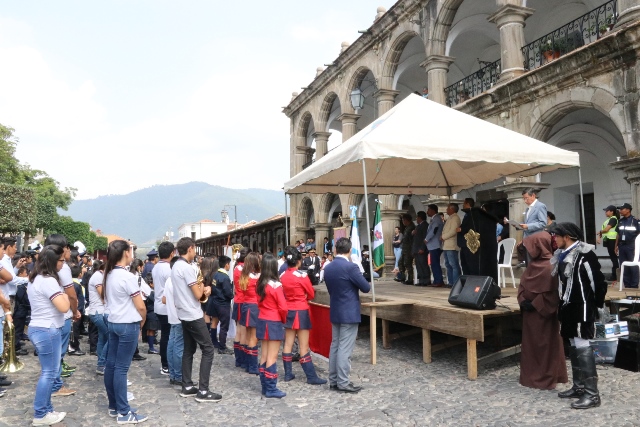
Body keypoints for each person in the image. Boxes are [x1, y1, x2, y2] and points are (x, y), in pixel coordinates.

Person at [551, 222, 607, 409]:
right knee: (574, 346)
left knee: (582, 344)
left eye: (557, 236)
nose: (554, 239)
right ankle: (579, 386)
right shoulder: (562, 255)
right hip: (568, 307)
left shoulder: (585, 254)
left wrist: (595, 306)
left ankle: (592, 394)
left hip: (582, 307)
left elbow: (598, 282)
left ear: (566, 237)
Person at [102, 240, 148, 423]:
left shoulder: (110, 274)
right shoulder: (128, 277)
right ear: (126, 254)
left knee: (111, 365)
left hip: (113, 322)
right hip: (127, 324)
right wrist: (141, 323)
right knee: (121, 368)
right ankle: (124, 411)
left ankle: (114, 406)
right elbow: (141, 307)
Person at [171, 237, 220, 402]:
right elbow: (198, 294)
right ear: (190, 248)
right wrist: (206, 290)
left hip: (183, 313)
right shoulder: (186, 268)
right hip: (193, 313)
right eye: (194, 249)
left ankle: (187, 385)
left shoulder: (176, 265)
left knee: (189, 350)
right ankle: (204, 391)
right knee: (208, 349)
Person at [27, 244, 71, 426]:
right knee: (49, 373)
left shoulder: (36, 278)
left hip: (40, 327)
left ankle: (47, 409)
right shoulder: (48, 281)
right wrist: (66, 297)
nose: (63, 263)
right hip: (48, 329)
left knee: (49, 372)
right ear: (53, 261)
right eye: (61, 260)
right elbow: (64, 306)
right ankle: (40, 414)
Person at [517, 232, 568, 390]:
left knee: (546, 346)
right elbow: (522, 286)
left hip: (543, 314)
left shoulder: (552, 266)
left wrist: (536, 304)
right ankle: (530, 376)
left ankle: (546, 377)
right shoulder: (531, 266)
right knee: (530, 347)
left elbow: (553, 293)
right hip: (530, 315)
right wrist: (522, 300)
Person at [323, 237, 371, 393]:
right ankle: (343, 382)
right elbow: (365, 288)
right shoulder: (351, 267)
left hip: (336, 309)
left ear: (335, 250)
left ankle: (333, 380)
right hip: (349, 311)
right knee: (345, 348)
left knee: (335, 345)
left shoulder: (328, 268)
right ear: (350, 250)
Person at [280, 246, 326, 386]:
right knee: (303, 346)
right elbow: (311, 294)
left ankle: (288, 374)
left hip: (288, 311)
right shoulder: (301, 276)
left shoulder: (282, 276)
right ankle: (311, 376)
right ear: (299, 261)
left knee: (288, 344)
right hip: (301, 310)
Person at [44, 234, 79, 398]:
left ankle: (53, 381)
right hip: (61, 315)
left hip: (46, 317)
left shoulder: (41, 267)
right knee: (58, 352)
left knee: (53, 354)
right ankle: (56, 384)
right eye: (66, 248)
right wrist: (75, 310)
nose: (68, 252)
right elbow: (71, 294)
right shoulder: (63, 268)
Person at [256, 253, 288, 398]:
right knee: (272, 356)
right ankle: (271, 388)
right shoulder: (276, 285)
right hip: (274, 320)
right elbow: (283, 307)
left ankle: (264, 385)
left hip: (262, 319)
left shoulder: (260, 283)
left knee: (264, 354)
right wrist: (283, 319)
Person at [457, 199, 499, 283]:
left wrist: (461, 229)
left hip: (480, 246)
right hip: (466, 245)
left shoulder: (484, 218)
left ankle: (477, 284)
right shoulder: (470, 215)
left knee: (474, 266)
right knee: (466, 266)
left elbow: (468, 228)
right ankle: (467, 284)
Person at [151, 241, 174, 376]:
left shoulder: (156, 267)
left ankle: (165, 363)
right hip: (166, 306)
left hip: (158, 304)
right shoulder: (168, 269)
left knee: (165, 336)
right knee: (168, 336)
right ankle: (166, 364)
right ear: (172, 253)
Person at [238, 252, 261, 375]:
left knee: (247, 336)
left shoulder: (244, 275)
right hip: (254, 306)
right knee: (254, 337)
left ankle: (248, 363)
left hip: (246, 306)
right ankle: (252, 366)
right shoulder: (256, 277)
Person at [206, 255, 234, 354]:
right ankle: (222, 347)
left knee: (215, 322)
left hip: (215, 301)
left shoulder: (216, 274)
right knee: (224, 326)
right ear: (226, 265)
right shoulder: (225, 277)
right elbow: (227, 292)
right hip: (223, 303)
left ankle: (215, 342)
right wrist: (232, 295)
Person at [163, 256, 183, 386]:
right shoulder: (176, 281)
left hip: (171, 316)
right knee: (179, 347)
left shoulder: (169, 280)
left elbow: (164, 299)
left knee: (171, 345)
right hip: (179, 317)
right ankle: (178, 375)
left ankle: (172, 374)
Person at [87, 261, 108, 375]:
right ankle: (101, 363)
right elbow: (103, 295)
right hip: (97, 312)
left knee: (102, 338)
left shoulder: (99, 276)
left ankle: (101, 363)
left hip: (99, 311)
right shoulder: (97, 277)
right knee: (111, 337)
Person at [616, 203, 639, 288]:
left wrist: (637, 248)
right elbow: (618, 234)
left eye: (622, 209)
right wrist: (616, 245)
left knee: (633, 265)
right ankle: (627, 285)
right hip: (622, 246)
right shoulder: (620, 221)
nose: (620, 211)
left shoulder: (635, 221)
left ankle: (634, 285)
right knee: (623, 265)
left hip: (632, 246)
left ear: (628, 210)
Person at [232, 248, 249, 369]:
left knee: (238, 331)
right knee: (244, 332)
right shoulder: (245, 269)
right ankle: (243, 359)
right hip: (244, 301)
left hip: (237, 300)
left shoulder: (236, 267)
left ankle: (238, 359)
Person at [441, 203, 461, 287]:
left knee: (453, 264)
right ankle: (451, 282)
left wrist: (443, 237)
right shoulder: (450, 218)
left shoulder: (455, 218)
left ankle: (456, 283)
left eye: (448, 208)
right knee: (448, 264)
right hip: (446, 245)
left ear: (452, 209)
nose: (446, 210)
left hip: (452, 245)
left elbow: (453, 231)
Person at [597, 205, 619, 282]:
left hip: (612, 241)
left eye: (607, 211)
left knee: (614, 259)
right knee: (613, 258)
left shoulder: (613, 219)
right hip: (609, 241)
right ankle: (615, 275)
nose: (605, 212)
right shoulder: (609, 219)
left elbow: (606, 229)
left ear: (612, 211)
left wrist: (599, 232)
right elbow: (604, 230)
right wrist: (600, 236)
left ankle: (615, 276)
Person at [425, 205, 444, 287]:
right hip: (433, 244)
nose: (427, 211)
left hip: (435, 244)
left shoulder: (436, 219)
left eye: (428, 210)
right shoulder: (433, 219)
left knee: (435, 263)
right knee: (434, 263)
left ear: (433, 210)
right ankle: (437, 280)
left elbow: (434, 230)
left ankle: (438, 280)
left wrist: (426, 239)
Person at [412, 211, 431, 286]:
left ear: (420, 217)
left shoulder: (425, 225)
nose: (416, 219)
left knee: (423, 264)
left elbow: (425, 238)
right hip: (416, 248)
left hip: (421, 248)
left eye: (417, 217)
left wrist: (422, 248)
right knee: (418, 265)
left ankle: (426, 280)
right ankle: (421, 280)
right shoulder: (418, 226)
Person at [397, 214, 415, 284]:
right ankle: (402, 277)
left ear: (407, 220)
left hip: (409, 249)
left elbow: (412, 240)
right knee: (400, 262)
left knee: (408, 264)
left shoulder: (412, 227)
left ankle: (410, 279)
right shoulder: (407, 227)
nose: (403, 222)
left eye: (403, 220)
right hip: (404, 248)